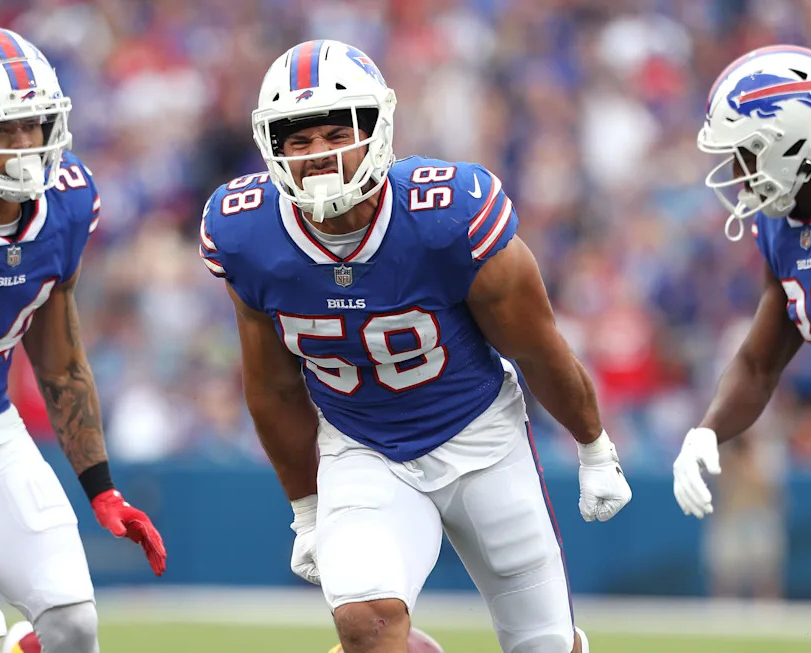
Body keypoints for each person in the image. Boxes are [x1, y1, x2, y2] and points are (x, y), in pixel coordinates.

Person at [200, 39, 632, 653]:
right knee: (365, 623)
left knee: (543, 645)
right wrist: (306, 507)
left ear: (377, 131)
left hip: (481, 438)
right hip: (361, 446)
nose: (319, 155)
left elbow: (537, 348)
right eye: (300, 140)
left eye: (337, 134)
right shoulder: (246, 233)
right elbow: (271, 385)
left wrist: (592, 445)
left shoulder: (446, 213)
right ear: (272, 148)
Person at [0, 27, 166, 653]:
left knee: (73, 626)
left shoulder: (68, 202)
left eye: (33, 124)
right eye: (2, 129)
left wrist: (102, 487)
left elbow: (61, 361)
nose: (24, 144)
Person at [673, 45, 811, 653]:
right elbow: (759, 362)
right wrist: (707, 431)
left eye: (746, 152)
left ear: (790, 141)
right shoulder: (779, 229)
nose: (737, 170)